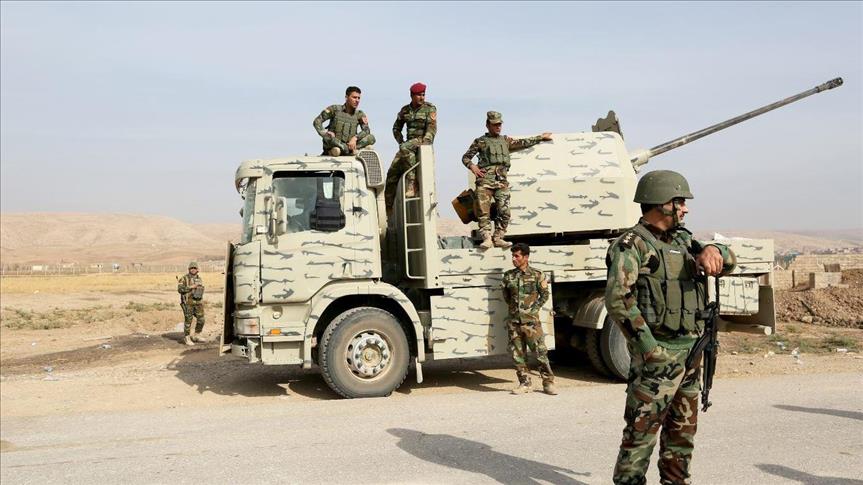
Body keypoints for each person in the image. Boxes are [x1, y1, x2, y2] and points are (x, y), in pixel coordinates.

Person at [604, 170, 737, 485]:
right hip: (658, 358)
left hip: (691, 354)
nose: (685, 209)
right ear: (660, 202)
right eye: (680, 202)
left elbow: (729, 262)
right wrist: (650, 350)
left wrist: (715, 250)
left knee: (682, 436)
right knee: (640, 438)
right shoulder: (632, 245)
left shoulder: (684, 240)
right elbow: (618, 300)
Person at [461, 111, 552, 249]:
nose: (498, 127)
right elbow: (466, 157)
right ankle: (487, 238)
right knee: (483, 211)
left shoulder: (505, 140)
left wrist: (540, 137)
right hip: (485, 181)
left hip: (501, 182)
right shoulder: (480, 141)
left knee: (505, 212)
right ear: (488, 125)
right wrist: (473, 167)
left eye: (499, 124)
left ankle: (498, 237)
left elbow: (523, 142)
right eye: (495, 125)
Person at [501, 243, 556, 395]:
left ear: (526, 257)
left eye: (517, 256)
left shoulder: (537, 274)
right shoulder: (508, 276)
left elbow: (544, 295)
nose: (514, 259)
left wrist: (533, 309)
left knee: (540, 353)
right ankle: (524, 383)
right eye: (512, 256)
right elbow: (506, 297)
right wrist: (516, 311)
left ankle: (548, 383)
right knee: (518, 355)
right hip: (514, 322)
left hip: (531, 323)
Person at [384, 82, 437, 215]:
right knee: (391, 175)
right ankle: (388, 210)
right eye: (419, 95)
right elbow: (396, 128)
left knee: (405, 148)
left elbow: (432, 128)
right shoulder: (405, 110)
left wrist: (426, 141)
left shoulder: (429, 108)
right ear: (412, 96)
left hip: (421, 142)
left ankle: (412, 183)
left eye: (423, 95)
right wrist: (401, 141)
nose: (422, 97)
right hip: (407, 146)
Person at [313, 86, 376, 156]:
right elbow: (317, 121)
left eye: (359, 98)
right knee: (328, 138)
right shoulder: (334, 109)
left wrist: (355, 138)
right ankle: (343, 150)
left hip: (350, 144)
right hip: (334, 142)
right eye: (354, 97)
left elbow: (366, 130)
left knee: (371, 138)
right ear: (346, 97)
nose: (357, 100)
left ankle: (344, 150)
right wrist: (325, 133)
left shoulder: (359, 114)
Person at [177, 261, 206, 346]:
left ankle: (196, 335)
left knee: (201, 319)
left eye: (195, 268)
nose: (193, 269)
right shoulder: (184, 278)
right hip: (188, 303)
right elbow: (180, 289)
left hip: (198, 302)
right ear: (189, 269)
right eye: (191, 268)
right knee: (188, 321)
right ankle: (187, 338)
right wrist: (191, 287)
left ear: (197, 269)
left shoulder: (199, 278)